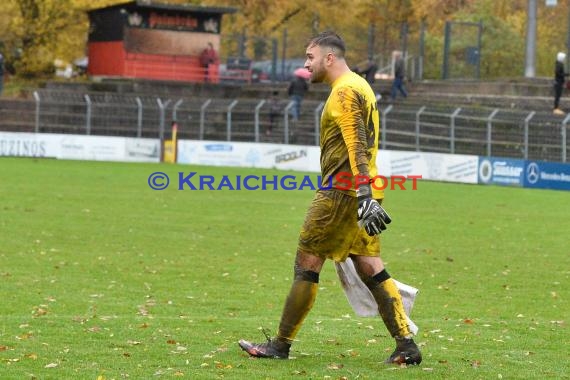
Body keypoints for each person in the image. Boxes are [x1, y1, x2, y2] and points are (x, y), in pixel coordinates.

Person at [238, 31, 422, 366]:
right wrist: (369, 194)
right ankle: (406, 346)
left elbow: (357, 144)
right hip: (362, 192)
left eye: (310, 57)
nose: (306, 65)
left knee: (306, 264)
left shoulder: (345, 91)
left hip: (342, 193)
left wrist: (362, 193)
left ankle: (280, 345)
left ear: (329, 58)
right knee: (370, 268)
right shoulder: (360, 86)